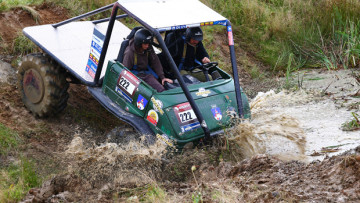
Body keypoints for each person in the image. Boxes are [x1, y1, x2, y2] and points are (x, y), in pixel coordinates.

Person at [123, 28, 173, 92]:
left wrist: (162, 77)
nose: (147, 45)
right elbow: (125, 72)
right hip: (135, 77)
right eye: (145, 44)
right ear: (139, 43)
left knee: (161, 89)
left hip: (146, 73)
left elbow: (155, 61)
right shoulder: (130, 52)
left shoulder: (148, 48)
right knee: (153, 92)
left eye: (148, 43)